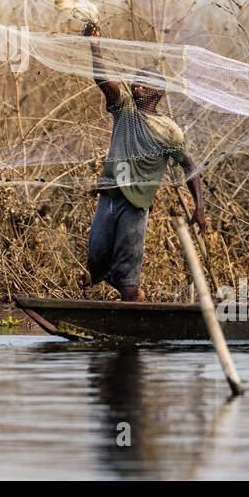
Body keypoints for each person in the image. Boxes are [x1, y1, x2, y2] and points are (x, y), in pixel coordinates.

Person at [83, 21, 206, 302]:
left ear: (157, 91)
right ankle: (135, 296)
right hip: (110, 194)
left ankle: (133, 302)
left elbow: (190, 167)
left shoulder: (168, 129)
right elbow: (103, 80)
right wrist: (95, 47)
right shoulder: (124, 109)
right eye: (136, 79)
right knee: (97, 259)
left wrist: (198, 206)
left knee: (126, 274)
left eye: (144, 81)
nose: (137, 84)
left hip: (136, 204)